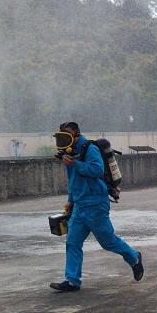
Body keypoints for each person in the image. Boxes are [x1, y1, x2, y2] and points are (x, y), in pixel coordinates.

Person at [50, 122, 143, 292]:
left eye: (67, 135)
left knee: (108, 242)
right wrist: (71, 200)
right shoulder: (69, 153)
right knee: (72, 242)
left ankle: (134, 258)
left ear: (76, 135)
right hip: (79, 205)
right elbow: (72, 179)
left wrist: (75, 164)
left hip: (96, 204)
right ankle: (72, 281)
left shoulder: (89, 149)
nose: (63, 139)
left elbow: (97, 170)